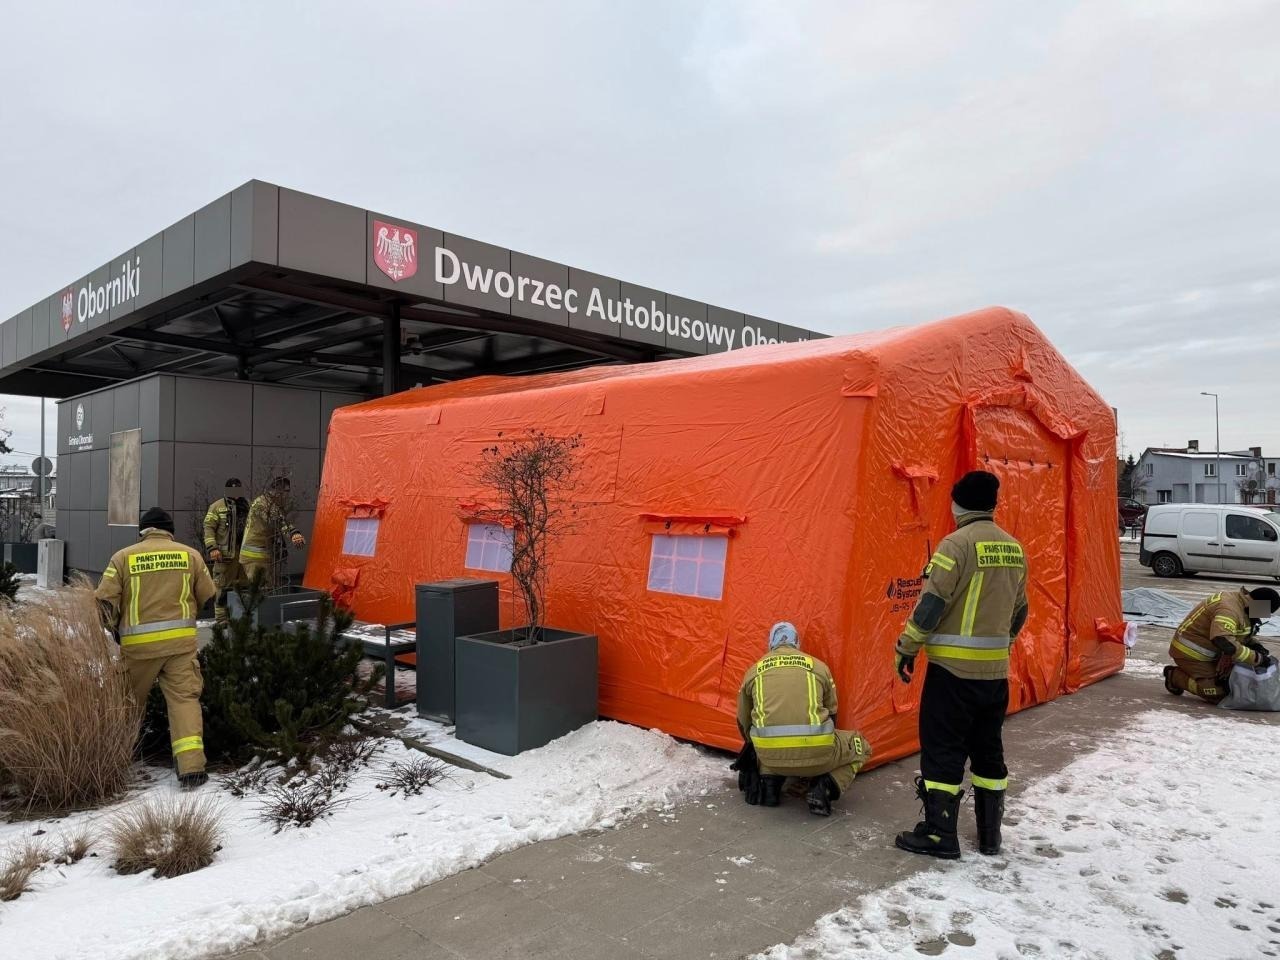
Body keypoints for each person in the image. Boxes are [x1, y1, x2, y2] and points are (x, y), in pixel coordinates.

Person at [892, 470, 1028, 860]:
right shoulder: (1013, 548)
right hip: (994, 673)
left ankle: (939, 834)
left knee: (943, 748)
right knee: (989, 749)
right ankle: (989, 836)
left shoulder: (955, 545)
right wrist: (1002, 645)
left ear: (957, 504)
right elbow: (1020, 610)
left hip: (952, 672)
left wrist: (907, 646)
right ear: (993, 504)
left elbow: (932, 604)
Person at [94, 507, 216, 789]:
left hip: (138, 649)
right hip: (181, 646)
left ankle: (114, 759)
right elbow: (209, 598)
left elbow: (104, 602)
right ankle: (191, 768)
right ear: (169, 531)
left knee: (125, 702)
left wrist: (115, 629)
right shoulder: (191, 555)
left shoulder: (123, 557)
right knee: (184, 701)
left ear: (143, 531)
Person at [735, 621, 872, 816]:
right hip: (819, 753)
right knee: (862, 746)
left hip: (769, 756)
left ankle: (770, 784)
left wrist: (754, 748)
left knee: (771, 739)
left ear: (771, 643)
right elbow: (833, 713)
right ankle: (825, 786)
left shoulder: (753, 671)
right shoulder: (818, 666)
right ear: (797, 643)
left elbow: (743, 721)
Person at [1163, 587, 1278, 703]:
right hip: (1190, 653)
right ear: (1258, 603)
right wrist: (1256, 659)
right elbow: (1223, 640)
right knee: (1218, 692)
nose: (1264, 616)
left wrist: (1254, 645)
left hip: (1213, 651)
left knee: (1235, 682)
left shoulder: (1243, 604)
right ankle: (1174, 677)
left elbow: (1237, 632)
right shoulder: (1229, 609)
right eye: (1265, 611)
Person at [239, 476, 306, 587]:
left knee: (267, 589)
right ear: (277, 491)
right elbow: (277, 521)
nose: (286, 496)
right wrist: (294, 533)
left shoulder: (269, 503)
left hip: (261, 556)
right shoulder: (263, 504)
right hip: (254, 557)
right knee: (261, 591)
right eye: (285, 491)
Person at [202, 477, 250, 624]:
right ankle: (222, 620)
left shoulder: (248, 505)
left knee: (244, 585)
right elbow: (208, 527)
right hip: (225, 555)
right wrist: (212, 548)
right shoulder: (217, 507)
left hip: (244, 554)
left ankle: (242, 617)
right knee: (222, 587)